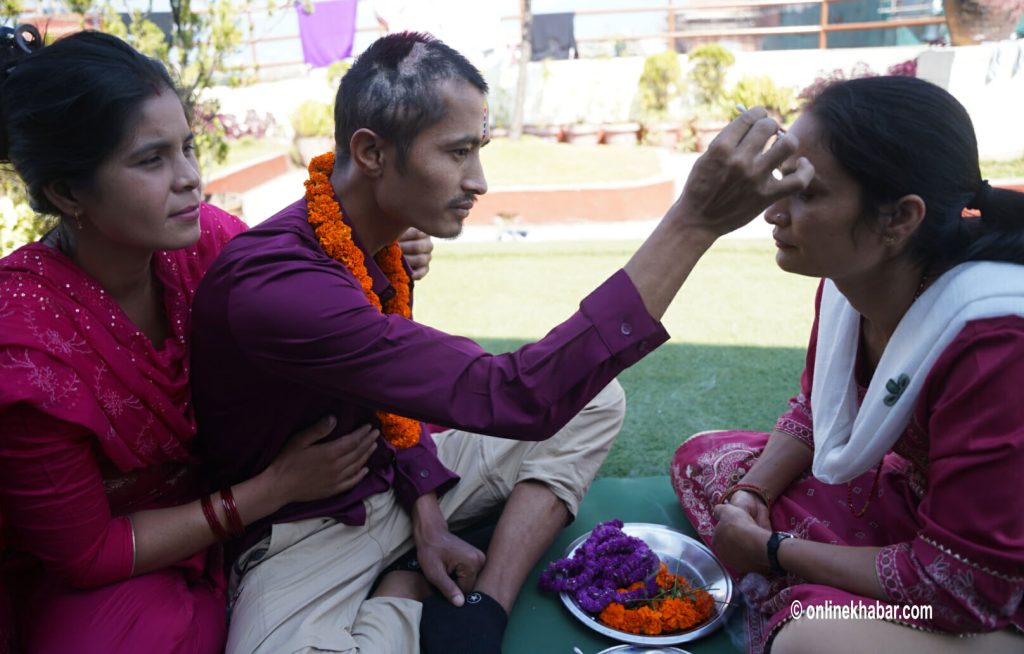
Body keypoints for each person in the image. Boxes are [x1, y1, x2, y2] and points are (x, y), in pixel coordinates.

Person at [189, 31, 812, 654]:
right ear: (372, 152)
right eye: (458, 153)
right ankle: (401, 592)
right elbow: (510, 395)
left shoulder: (377, 243)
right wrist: (694, 221)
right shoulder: (278, 285)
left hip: (397, 484)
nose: (478, 180)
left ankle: (485, 602)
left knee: (595, 398)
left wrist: (427, 517)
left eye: (478, 149)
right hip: (303, 529)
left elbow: (391, 409)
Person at [0, 28, 431, 654]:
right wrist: (272, 491)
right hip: (125, 566)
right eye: (152, 160)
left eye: (188, 148)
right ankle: (394, 590)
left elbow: (317, 302)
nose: (190, 179)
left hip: (259, 501)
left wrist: (380, 247)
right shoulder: (24, 347)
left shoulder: (210, 247)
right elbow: (86, 553)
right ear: (68, 193)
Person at [671, 76, 1024, 654]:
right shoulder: (850, 286)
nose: (773, 214)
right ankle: (807, 578)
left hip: (990, 588)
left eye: (806, 194)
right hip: (919, 512)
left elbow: (968, 584)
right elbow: (819, 410)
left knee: (812, 639)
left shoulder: (995, 344)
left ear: (898, 219)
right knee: (707, 463)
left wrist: (770, 550)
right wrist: (753, 496)